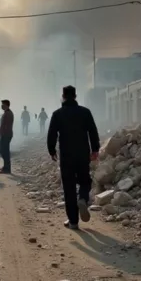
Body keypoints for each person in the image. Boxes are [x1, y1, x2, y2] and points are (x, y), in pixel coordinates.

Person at [47, 85, 100, 230]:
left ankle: (73, 221)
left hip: (66, 155)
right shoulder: (85, 112)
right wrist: (95, 149)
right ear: (75, 96)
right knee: (85, 180)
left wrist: (52, 150)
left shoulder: (57, 114)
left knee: (69, 187)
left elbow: (52, 134)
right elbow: (93, 132)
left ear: (63, 97)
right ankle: (82, 198)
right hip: (83, 153)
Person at [0, 99, 14, 174]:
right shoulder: (7, 113)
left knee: (4, 151)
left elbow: (5, 125)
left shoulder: (8, 114)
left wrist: (0, 132)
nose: (1, 106)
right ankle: (5, 167)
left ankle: (7, 168)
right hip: (6, 134)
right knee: (4, 151)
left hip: (6, 134)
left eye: (3, 104)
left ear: (6, 105)